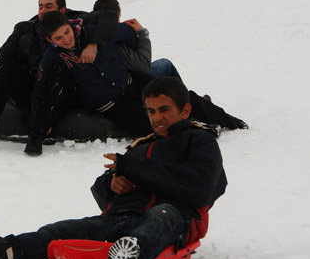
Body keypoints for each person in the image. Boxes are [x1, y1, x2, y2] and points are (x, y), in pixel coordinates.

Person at [0, 77, 227, 259]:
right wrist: (114, 185)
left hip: (175, 219)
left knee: (159, 217)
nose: (157, 117)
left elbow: (199, 188)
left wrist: (135, 169)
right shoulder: (142, 146)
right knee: (60, 231)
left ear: (185, 109)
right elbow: (104, 194)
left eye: (164, 109)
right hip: (125, 218)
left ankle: (127, 257)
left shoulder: (199, 141)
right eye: (151, 111)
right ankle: (1, 254)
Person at [25, 9, 247, 155]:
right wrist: (38, 119)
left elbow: (125, 31)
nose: (66, 39)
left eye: (66, 32)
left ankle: (229, 121)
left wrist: (112, 45)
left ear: (70, 25)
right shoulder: (53, 57)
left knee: (179, 96)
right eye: (59, 38)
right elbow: (40, 88)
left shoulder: (95, 34)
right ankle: (196, 134)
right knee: (146, 123)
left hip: (134, 82)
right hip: (113, 105)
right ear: (49, 40)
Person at [0, 0, 119, 148]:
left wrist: (93, 45)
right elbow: (4, 61)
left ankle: (38, 134)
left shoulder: (75, 23)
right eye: (40, 7)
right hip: (37, 87)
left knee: (60, 71)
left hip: (67, 90)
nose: (43, 11)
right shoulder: (29, 30)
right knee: (10, 68)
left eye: (48, 7)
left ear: (62, 10)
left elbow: (109, 16)